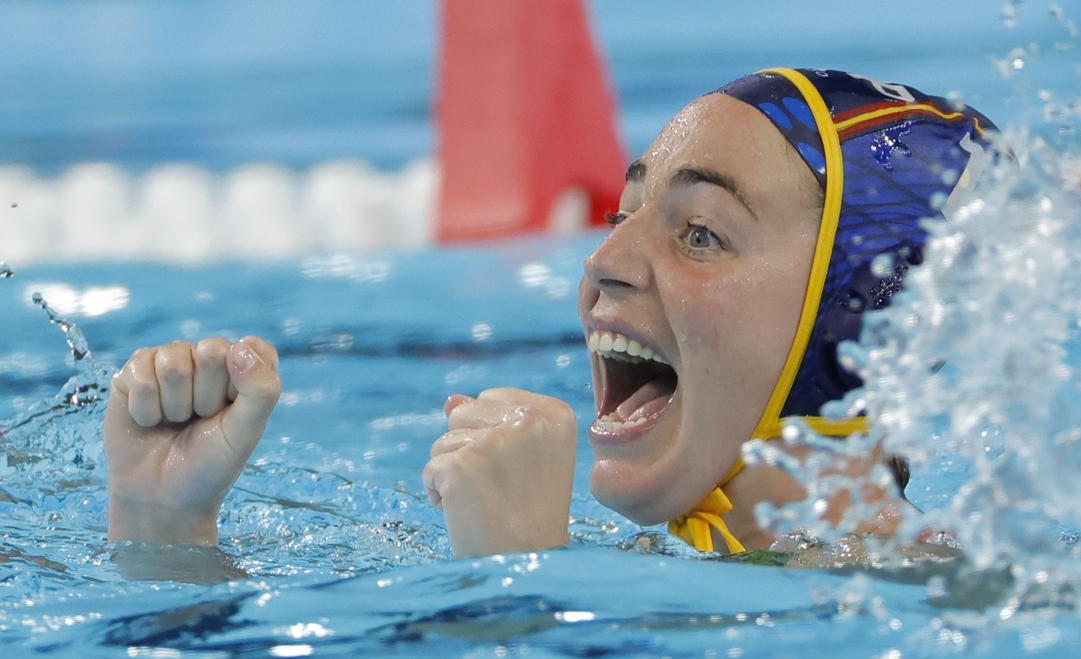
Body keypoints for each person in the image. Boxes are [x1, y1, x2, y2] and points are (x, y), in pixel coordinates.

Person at [103, 68, 996, 561]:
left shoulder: (928, 612)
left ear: (859, 325)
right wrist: (162, 529)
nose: (602, 263)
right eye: (623, 215)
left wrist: (522, 589)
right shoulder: (696, 568)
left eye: (698, 233)